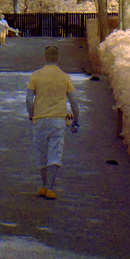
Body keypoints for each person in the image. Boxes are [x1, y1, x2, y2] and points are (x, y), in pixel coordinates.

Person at [26, 44, 80, 200]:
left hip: (39, 119)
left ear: (45, 57)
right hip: (58, 120)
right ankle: (50, 187)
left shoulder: (35, 76)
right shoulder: (65, 77)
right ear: (58, 58)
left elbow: (29, 99)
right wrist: (76, 120)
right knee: (55, 153)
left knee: (41, 153)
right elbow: (74, 102)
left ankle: (43, 185)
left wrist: (32, 115)